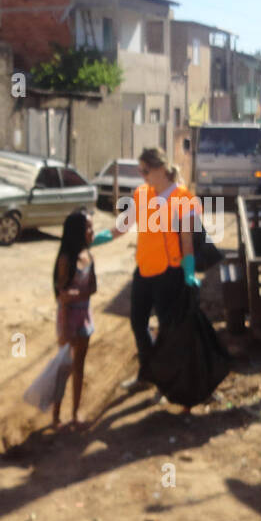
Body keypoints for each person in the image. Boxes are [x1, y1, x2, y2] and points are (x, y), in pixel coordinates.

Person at [91, 146, 200, 387]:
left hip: (169, 272)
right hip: (144, 270)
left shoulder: (183, 198)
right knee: (138, 323)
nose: (142, 175)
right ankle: (148, 374)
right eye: (140, 171)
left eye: (145, 170)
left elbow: (187, 241)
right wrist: (94, 239)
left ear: (160, 168)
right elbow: (121, 227)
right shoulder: (141, 195)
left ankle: (167, 380)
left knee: (167, 329)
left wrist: (189, 272)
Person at [52, 209, 97, 431]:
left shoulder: (88, 256)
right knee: (65, 367)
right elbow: (61, 294)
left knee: (79, 367)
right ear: (77, 232)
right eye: (88, 227)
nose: (92, 231)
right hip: (68, 319)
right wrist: (77, 296)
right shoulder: (66, 259)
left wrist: (76, 295)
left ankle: (75, 413)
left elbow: (93, 288)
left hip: (84, 319)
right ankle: (56, 416)